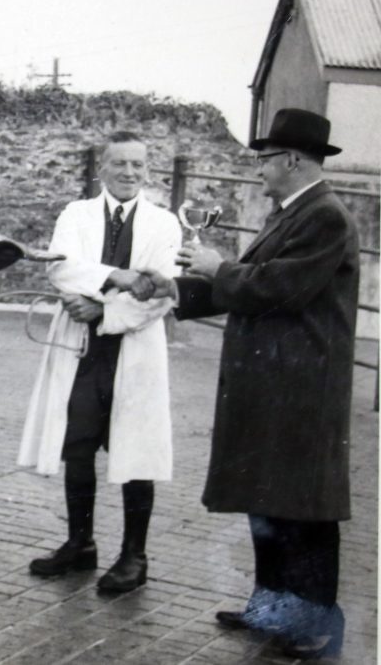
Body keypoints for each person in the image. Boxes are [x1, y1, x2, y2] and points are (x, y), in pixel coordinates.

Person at [143, 108, 359, 659]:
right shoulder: (292, 212)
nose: (258, 170)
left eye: (264, 160)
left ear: (291, 159)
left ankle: (314, 625)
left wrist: (218, 268)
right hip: (274, 388)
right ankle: (272, 609)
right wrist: (174, 289)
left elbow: (276, 290)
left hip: (301, 392)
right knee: (269, 501)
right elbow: (253, 286)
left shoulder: (326, 217)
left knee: (304, 510)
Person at [18, 131, 181, 593]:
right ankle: (80, 543)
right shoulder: (76, 214)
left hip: (133, 347)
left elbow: (161, 291)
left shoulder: (164, 224)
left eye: (138, 165)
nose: (129, 173)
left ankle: (134, 556)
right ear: (101, 170)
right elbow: (61, 267)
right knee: (78, 444)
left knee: (136, 451)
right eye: (120, 164)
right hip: (81, 349)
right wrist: (118, 277)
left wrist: (104, 309)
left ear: (147, 171)